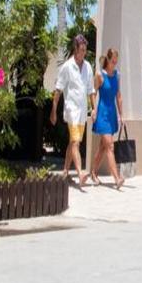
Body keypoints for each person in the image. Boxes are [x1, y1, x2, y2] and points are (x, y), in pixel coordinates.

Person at [50, 34, 95, 188]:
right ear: (75, 49)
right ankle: (80, 172)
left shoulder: (88, 67)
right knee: (76, 142)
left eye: (85, 50)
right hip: (71, 110)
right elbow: (58, 90)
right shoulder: (67, 67)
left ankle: (64, 171)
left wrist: (94, 108)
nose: (84, 52)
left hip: (82, 112)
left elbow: (91, 90)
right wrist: (54, 110)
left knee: (73, 142)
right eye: (81, 50)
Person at [90, 48, 124, 188]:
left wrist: (121, 115)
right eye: (113, 60)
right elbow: (93, 93)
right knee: (110, 145)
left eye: (116, 60)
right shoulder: (100, 75)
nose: (115, 62)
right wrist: (93, 109)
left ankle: (93, 172)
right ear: (108, 60)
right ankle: (117, 178)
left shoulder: (117, 75)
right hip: (102, 114)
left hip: (111, 114)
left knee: (104, 147)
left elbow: (119, 96)